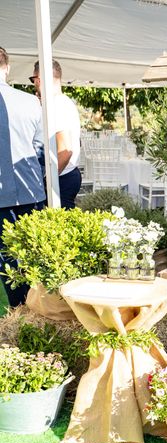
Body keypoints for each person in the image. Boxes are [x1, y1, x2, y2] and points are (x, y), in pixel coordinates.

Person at [0, 47, 46, 307]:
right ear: (6, 67)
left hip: (2, 197)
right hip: (31, 190)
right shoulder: (30, 101)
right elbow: (39, 148)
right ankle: (37, 307)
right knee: (34, 255)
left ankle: (20, 310)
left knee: (7, 261)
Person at [31, 59, 82, 209]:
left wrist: (46, 180)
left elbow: (65, 150)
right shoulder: (64, 101)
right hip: (68, 174)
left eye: (33, 80)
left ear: (39, 79)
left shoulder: (56, 105)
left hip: (61, 177)